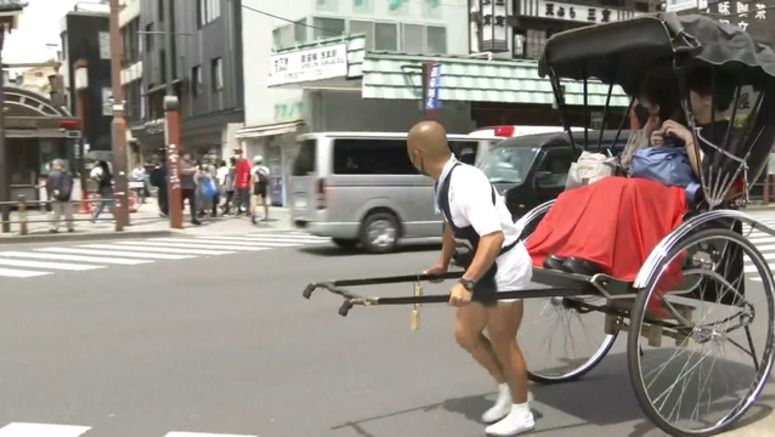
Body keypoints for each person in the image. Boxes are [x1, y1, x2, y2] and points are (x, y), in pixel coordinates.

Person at [528, 65, 737, 316]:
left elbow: (711, 177)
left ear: (708, 98)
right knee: (595, 189)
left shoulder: (727, 134)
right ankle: (567, 250)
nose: (684, 101)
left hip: (687, 199)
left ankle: (594, 258)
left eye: (689, 94)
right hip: (655, 190)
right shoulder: (686, 125)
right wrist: (657, 144)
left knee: (623, 189)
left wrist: (689, 139)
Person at [408, 121, 535, 436]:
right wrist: (442, 263)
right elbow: (452, 225)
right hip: (484, 267)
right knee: (465, 333)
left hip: (505, 265)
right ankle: (507, 389)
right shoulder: (444, 180)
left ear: (417, 153)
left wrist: (466, 282)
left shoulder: (466, 182)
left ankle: (523, 411)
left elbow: (492, 238)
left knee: (503, 340)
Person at [47, 159, 75, 233]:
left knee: (55, 213)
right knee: (68, 213)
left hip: (56, 196)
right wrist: (70, 195)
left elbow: (50, 186)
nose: (53, 166)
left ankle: (54, 228)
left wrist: (51, 196)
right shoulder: (69, 174)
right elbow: (71, 185)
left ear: (58, 165)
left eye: (54, 164)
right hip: (67, 196)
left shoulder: (52, 174)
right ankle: (70, 227)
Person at [180, 154, 201, 225]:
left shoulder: (191, 163)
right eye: (186, 155)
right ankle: (179, 218)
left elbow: (196, 171)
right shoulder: (180, 163)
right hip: (182, 186)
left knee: (193, 203)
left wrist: (192, 171)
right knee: (180, 204)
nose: (188, 156)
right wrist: (192, 170)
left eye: (189, 155)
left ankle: (194, 218)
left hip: (191, 186)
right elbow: (181, 171)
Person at [251, 155, 271, 224]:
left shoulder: (253, 169)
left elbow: (252, 179)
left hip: (257, 185)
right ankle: (266, 216)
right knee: (264, 201)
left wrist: (251, 187)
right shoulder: (266, 169)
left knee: (254, 200)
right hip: (264, 186)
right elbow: (267, 178)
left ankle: (253, 215)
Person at [233, 148, 252, 215]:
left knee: (246, 197)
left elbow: (246, 172)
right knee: (238, 197)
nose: (236, 154)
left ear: (241, 153)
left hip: (244, 183)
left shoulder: (244, 161)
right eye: (235, 153)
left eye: (237, 153)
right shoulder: (237, 162)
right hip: (238, 182)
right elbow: (236, 173)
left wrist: (244, 181)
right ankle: (238, 210)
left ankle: (247, 210)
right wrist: (234, 181)